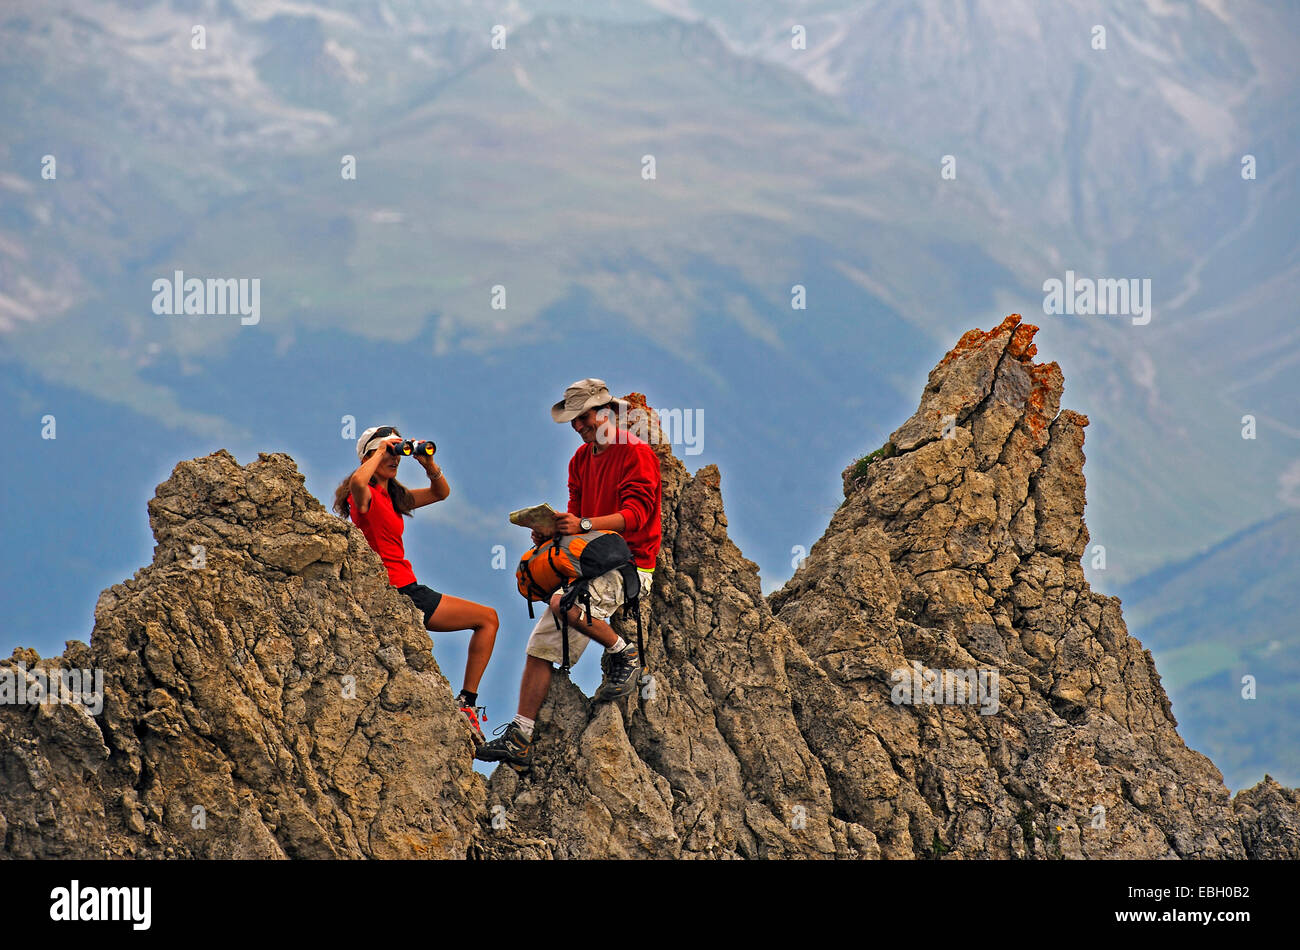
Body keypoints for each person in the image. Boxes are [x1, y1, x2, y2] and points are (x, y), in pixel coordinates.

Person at [477, 379, 662, 772]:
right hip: (587, 560)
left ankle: (623, 653)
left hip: (630, 564)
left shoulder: (636, 453)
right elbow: (576, 515)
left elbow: (637, 516)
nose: (578, 427)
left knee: (563, 603)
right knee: (539, 647)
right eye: (574, 421)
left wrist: (583, 523)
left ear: (606, 413)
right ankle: (521, 737)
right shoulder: (580, 460)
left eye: (583, 418)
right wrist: (552, 529)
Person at [334, 425, 498, 745]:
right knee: (487, 618)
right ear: (370, 455)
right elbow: (357, 480)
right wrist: (383, 450)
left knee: (487, 619)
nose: (395, 458)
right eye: (387, 452)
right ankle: (467, 704)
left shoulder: (392, 496)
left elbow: (441, 493)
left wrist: (428, 464)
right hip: (399, 592)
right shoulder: (363, 496)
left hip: (407, 588)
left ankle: (466, 703)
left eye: (397, 453)